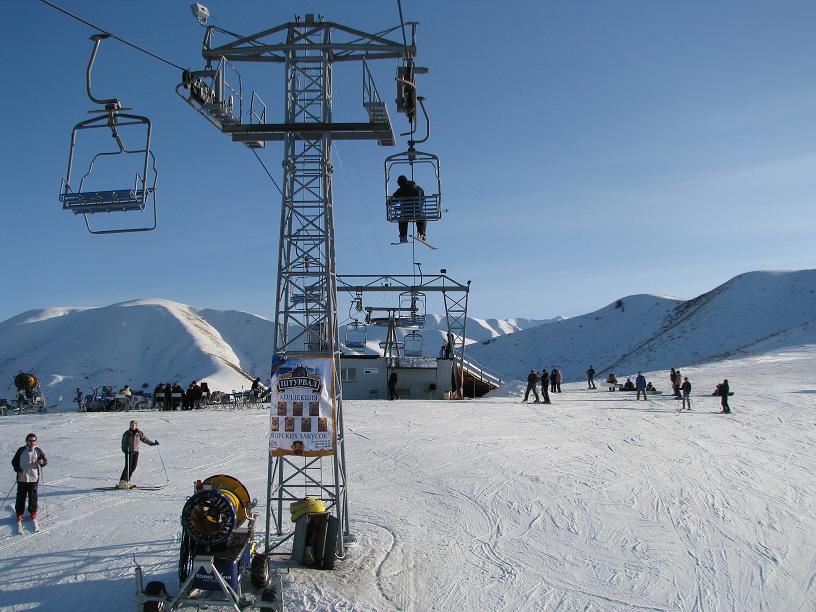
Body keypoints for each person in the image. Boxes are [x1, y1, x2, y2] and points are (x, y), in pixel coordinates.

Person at [12, 433, 47, 533]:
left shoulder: (38, 450)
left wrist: (42, 462)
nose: (32, 442)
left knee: (33, 496)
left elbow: (44, 461)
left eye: (34, 440)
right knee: (21, 496)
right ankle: (19, 513)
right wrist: (17, 469)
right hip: (22, 478)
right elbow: (14, 461)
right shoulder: (21, 450)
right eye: (30, 441)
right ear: (26, 441)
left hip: (33, 478)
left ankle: (33, 512)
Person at [118, 420, 159, 489]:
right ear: (130, 426)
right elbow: (123, 443)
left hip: (136, 452)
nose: (132, 426)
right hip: (129, 452)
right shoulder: (127, 433)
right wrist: (125, 450)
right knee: (128, 466)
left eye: (134, 425)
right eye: (131, 425)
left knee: (133, 467)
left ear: (136, 425)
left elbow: (145, 440)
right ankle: (122, 482)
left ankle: (127, 481)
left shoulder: (139, 433)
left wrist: (153, 443)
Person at [392, 174, 427, 242]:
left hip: (405, 213)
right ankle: (421, 234)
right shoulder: (419, 189)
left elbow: (394, 201)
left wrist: (389, 202)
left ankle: (403, 236)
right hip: (417, 212)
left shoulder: (400, 191)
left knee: (402, 218)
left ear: (400, 183)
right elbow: (423, 200)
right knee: (422, 217)